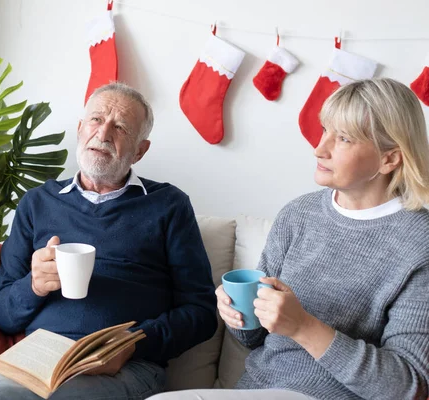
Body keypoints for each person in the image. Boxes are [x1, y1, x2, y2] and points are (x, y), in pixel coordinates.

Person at [149, 78, 429, 400]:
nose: (319, 148)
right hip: (256, 391)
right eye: (325, 130)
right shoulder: (299, 215)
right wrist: (236, 312)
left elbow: (409, 387)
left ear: (389, 159)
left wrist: (303, 327)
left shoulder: (419, 242)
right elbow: (252, 338)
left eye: (344, 138)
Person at [0, 82, 218, 400]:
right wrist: (34, 285)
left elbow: (202, 313)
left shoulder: (169, 205)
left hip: (126, 367)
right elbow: (3, 314)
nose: (104, 133)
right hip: (41, 361)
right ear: (80, 129)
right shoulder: (38, 203)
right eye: (96, 119)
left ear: (140, 149)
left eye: (121, 126)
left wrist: (132, 343)